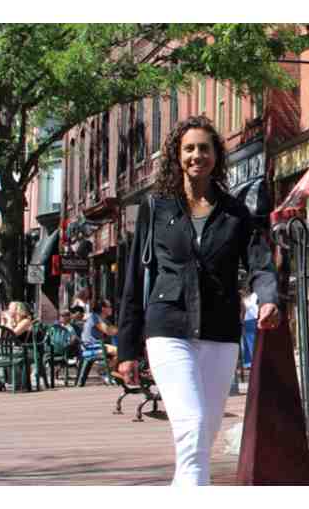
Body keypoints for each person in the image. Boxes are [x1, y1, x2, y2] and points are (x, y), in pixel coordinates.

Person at [117, 116, 279, 486]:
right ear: (177, 155)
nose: (196, 155)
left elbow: (260, 262)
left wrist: (268, 298)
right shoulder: (156, 208)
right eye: (189, 148)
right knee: (192, 426)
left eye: (204, 148)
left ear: (216, 156)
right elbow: (135, 278)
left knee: (204, 433)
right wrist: (127, 348)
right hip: (168, 327)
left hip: (220, 330)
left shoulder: (235, 212)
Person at [81, 299, 118, 372]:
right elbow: (108, 331)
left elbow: (114, 330)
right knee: (120, 352)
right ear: (103, 308)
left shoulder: (104, 320)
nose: (112, 309)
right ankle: (104, 371)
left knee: (121, 351)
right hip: (91, 347)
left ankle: (111, 372)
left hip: (97, 345)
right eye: (110, 306)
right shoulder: (94, 317)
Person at [240, 289, 259, 369]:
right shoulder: (252, 296)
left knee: (251, 343)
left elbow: (247, 308)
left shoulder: (253, 296)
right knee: (247, 343)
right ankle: (249, 364)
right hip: (248, 321)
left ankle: (254, 363)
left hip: (251, 321)